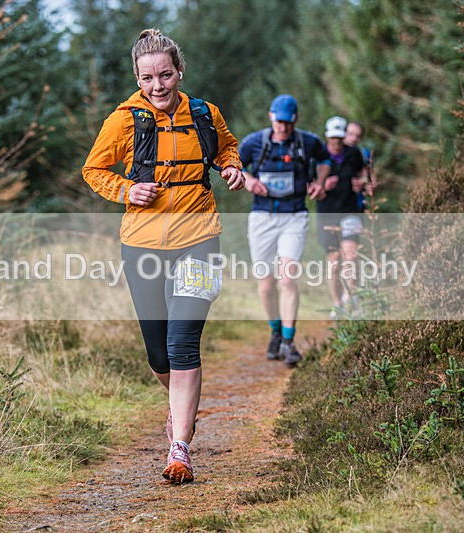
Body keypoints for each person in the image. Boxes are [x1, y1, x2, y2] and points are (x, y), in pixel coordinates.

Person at [82, 28, 245, 484]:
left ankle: (180, 446)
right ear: (137, 76)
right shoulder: (123, 120)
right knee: (159, 355)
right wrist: (126, 188)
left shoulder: (203, 113)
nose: (157, 87)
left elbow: (226, 147)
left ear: (179, 71)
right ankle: (178, 408)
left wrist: (231, 165)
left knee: (182, 342)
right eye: (148, 78)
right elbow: (93, 169)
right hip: (142, 244)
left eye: (166, 75)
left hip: (199, 239)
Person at [239, 94, 328, 368]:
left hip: (294, 216)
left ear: (295, 120)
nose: (283, 128)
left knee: (287, 279)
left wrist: (320, 182)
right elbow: (234, 167)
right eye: (279, 122)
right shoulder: (255, 143)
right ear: (270, 117)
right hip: (262, 217)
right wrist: (249, 181)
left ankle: (289, 341)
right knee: (265, 285)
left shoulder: (306, 142)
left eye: (288, 123)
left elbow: (325, 159)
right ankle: (275, 331)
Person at [308, 116, 365, 319]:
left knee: (351, 255)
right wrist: (321, 185)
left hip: (350, 211)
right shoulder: (317, 157)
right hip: (327, 214)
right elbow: (308, 186)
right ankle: (337, 302)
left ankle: (354, 300)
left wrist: (362, 182)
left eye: (340, 137)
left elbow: (363, 172)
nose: (336, 141)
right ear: (327, 136)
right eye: (333, 138)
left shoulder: (354, 154)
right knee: (334, 262)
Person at [343, 121, 378, 212]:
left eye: (358, 136)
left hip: (357, 204)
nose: (354, 138)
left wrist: (364, 182)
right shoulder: (331, 153)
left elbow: (371, 179)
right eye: (350, 134)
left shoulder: (364, 154)